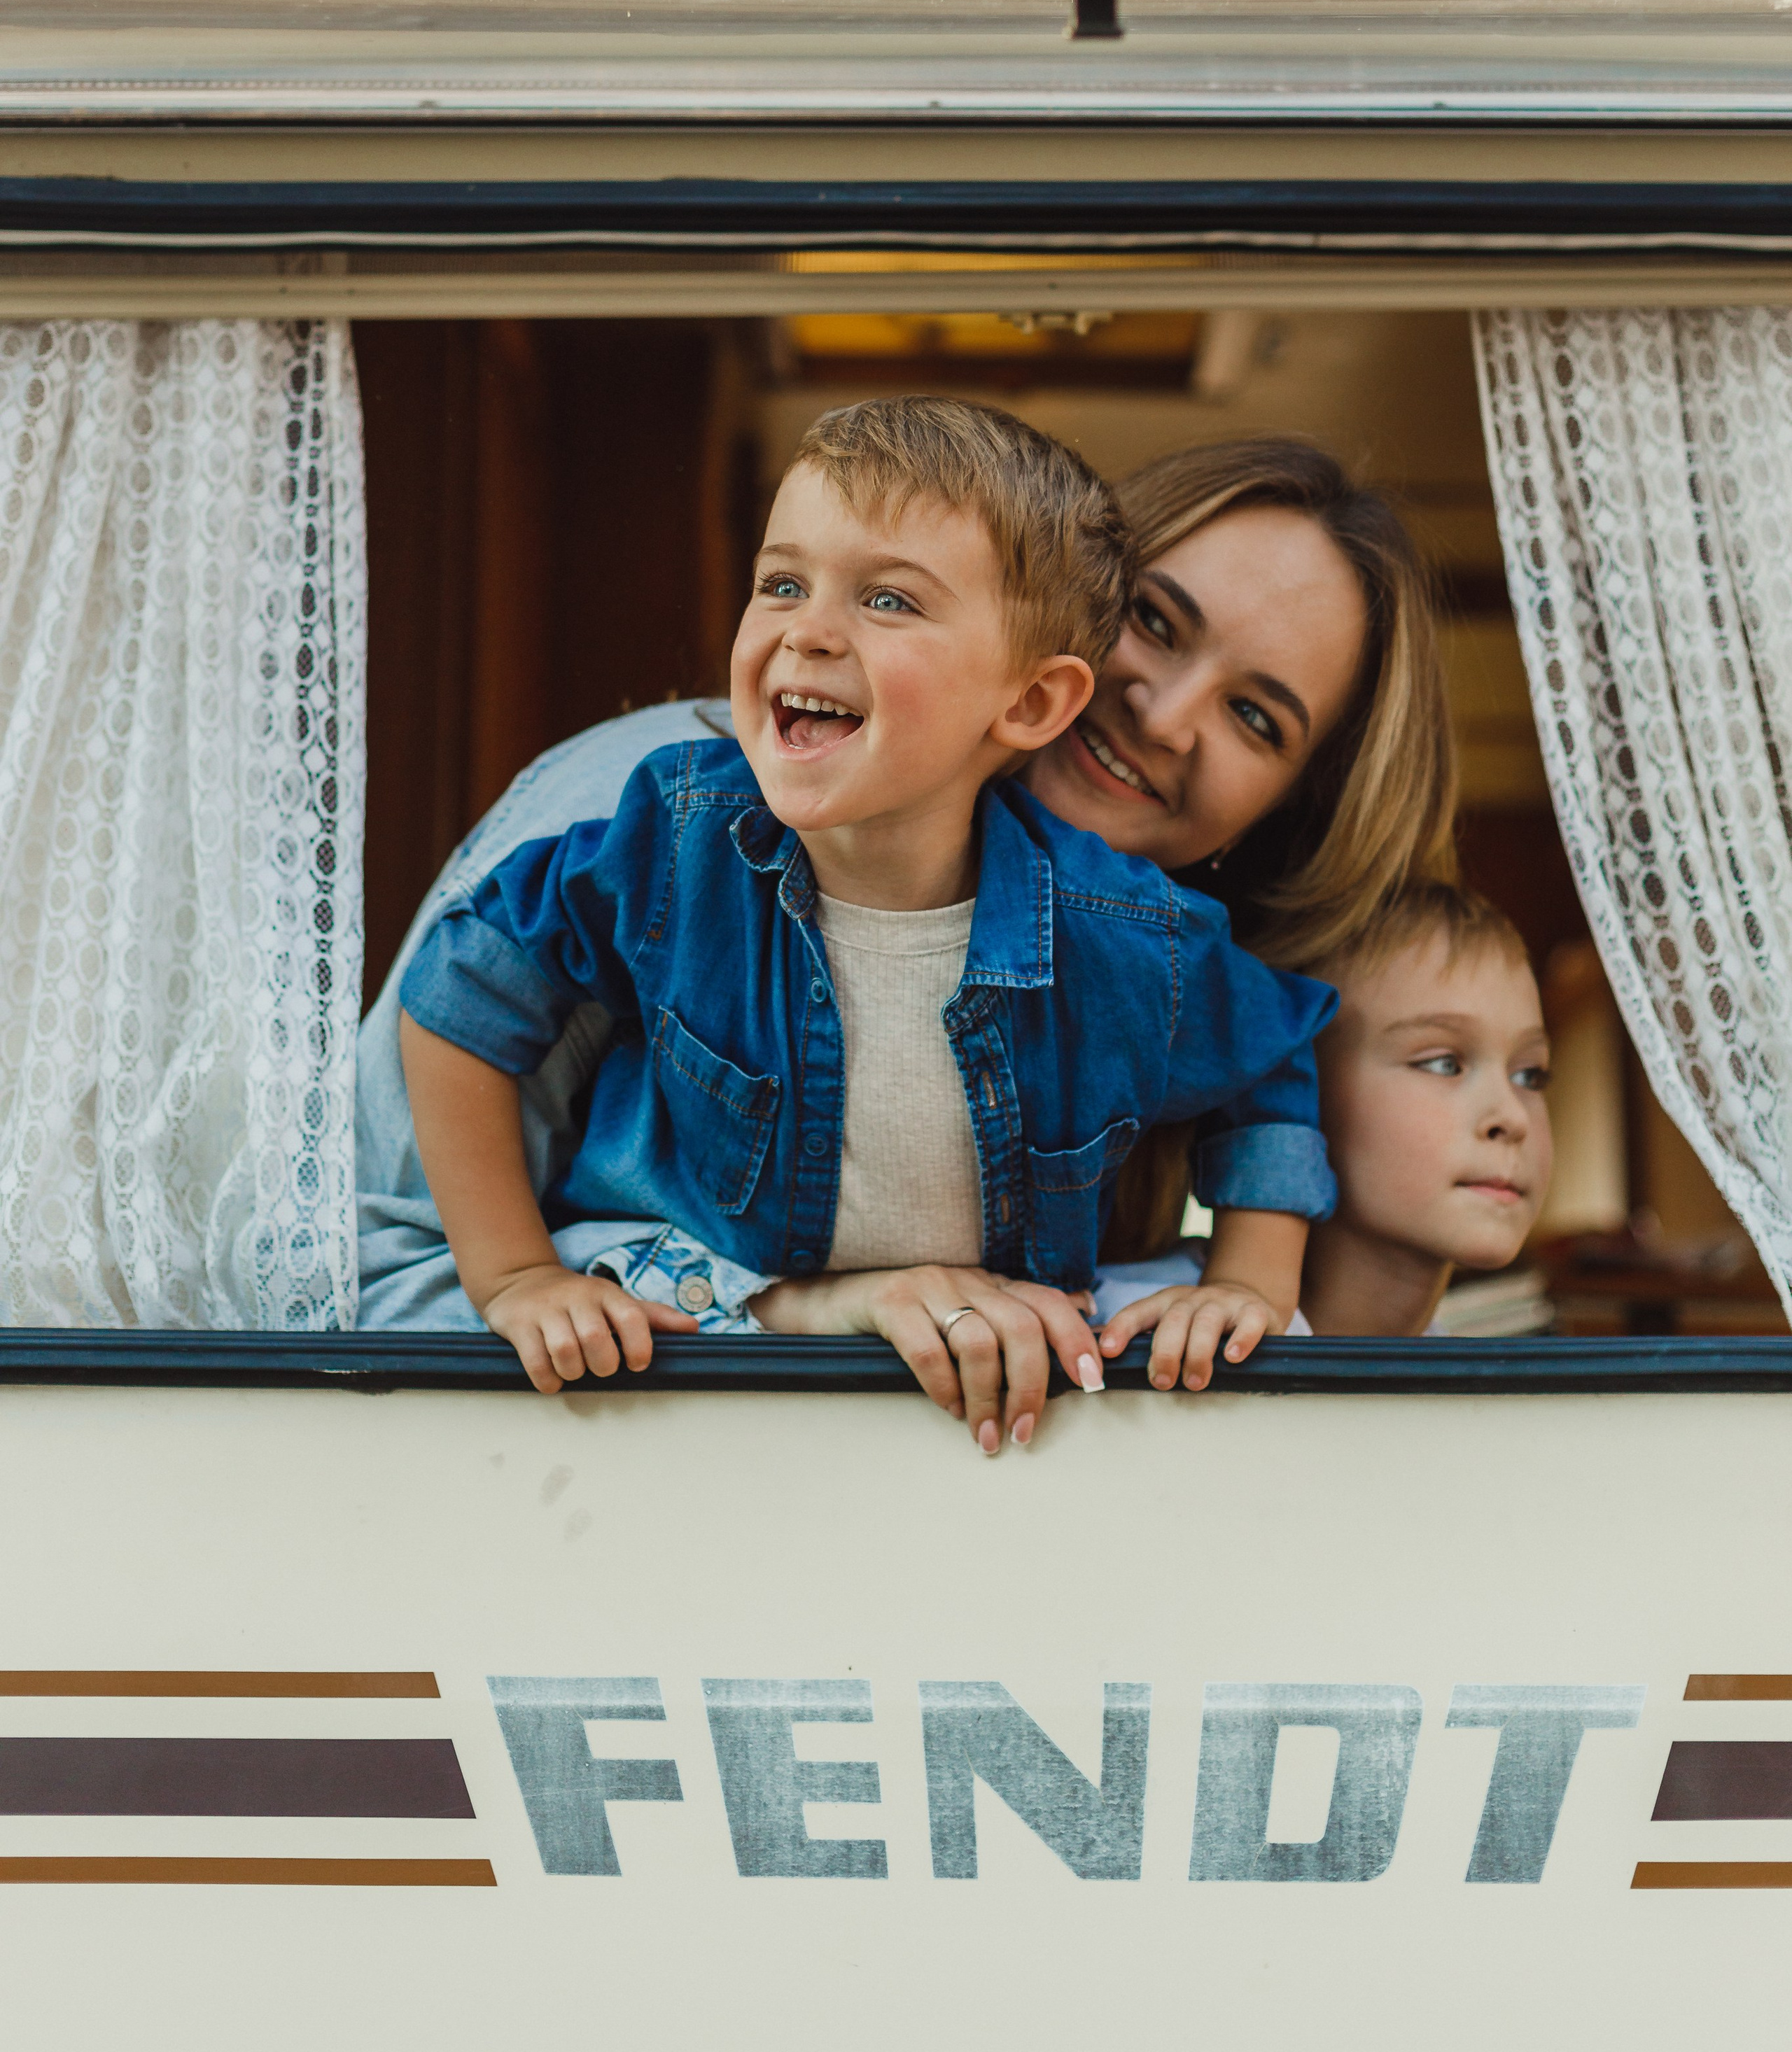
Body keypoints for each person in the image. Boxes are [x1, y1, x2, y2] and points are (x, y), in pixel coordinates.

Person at [357, 428, 1455, 1419]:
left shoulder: (1144, 948)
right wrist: (782, 1314)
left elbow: (1268, 1069)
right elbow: (376, 1275)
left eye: (1255, 717)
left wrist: (1251, 1288)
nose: (1163, 718)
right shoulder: (667, 824)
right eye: (1153, 624)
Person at [1093, 881, 1553, 1369]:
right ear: (1295, 1084)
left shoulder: (1472, 1399)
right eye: (1443, 1063)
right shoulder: (1135, 1331)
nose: (1513, 1117)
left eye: (1531, 1074)